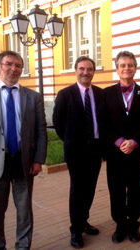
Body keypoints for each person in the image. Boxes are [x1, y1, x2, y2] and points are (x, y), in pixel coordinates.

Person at [0, 51, 47, 250]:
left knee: (24, 210)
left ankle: (23, 246)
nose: (13, 69)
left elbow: (41, 131)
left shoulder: (33, 97)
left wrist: (38, 160)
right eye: (9, 64)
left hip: (23, 161)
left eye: (18, 65)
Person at [53, 56, 104, 248]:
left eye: (89, 69)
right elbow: (58, 124)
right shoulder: (65, 94)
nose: (85, 72)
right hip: (76, 153)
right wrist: (70, 141)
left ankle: (83, 221)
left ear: (93, 72)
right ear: (76, 70)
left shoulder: (99, 93)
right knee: (77, 190)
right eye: (82, 68)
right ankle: (75, 229)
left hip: (95, 151)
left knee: (90, 189)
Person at [103, 51, 140, 243]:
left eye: (130, 65)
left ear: (135, 68)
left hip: (136, 152)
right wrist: (118, 142)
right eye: (122, 65)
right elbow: (103, 123)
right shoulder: (106, 94)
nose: (127, 68)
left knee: (134, 189)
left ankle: (133, 223)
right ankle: (120, 224)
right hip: (115, 153)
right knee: (115, 190)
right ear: (117, 69)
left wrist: (135, 141)